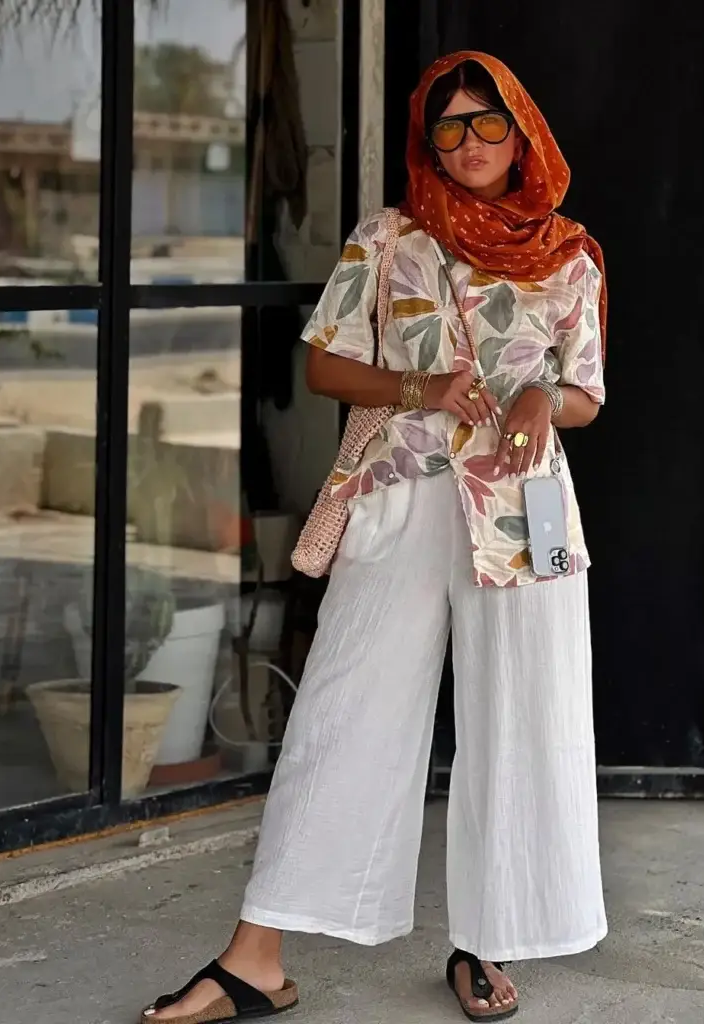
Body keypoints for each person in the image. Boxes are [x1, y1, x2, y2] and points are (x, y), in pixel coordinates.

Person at [142, 50, 607, 1024]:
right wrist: (421, 387)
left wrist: (536, 395)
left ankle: (487, 942)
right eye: (450, 126)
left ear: (519, 130)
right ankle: (254, 957)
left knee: (521, 728)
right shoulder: (389, 239)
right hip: (400, 497)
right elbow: (323, 367)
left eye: (488, 123)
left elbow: (584, 394)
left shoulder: (567, 253)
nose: (470, 143)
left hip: (524, 512)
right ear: (425, 139)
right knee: (340, 715)